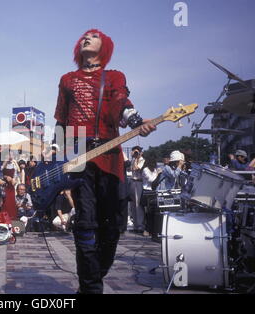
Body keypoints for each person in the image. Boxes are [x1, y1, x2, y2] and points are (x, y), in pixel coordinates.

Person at [53, 29, 156, 294]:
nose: (87, 38)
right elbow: (62, 122)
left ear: (105, 47)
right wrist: (60, 164)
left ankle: (92, 278)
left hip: (110, 157)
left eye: (94, 36)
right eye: (84, 36)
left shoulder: (114, 77)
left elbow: (121, 102)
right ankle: (90, 287)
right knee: (86, 223)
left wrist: (136, 122)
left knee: (113, 226)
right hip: (79, 157)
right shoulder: (67, 79)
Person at [129, 146, 146, 234]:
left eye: (136, 152)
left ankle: (140, 225)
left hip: (139, 182)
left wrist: (136, 158)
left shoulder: (142, 160)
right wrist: (134, 158)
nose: (135, 153)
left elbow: (136, 168)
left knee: (138, 204)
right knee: (132, 204)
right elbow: (130, 168)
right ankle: (135, 225)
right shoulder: (133, 159)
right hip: (132, 181)